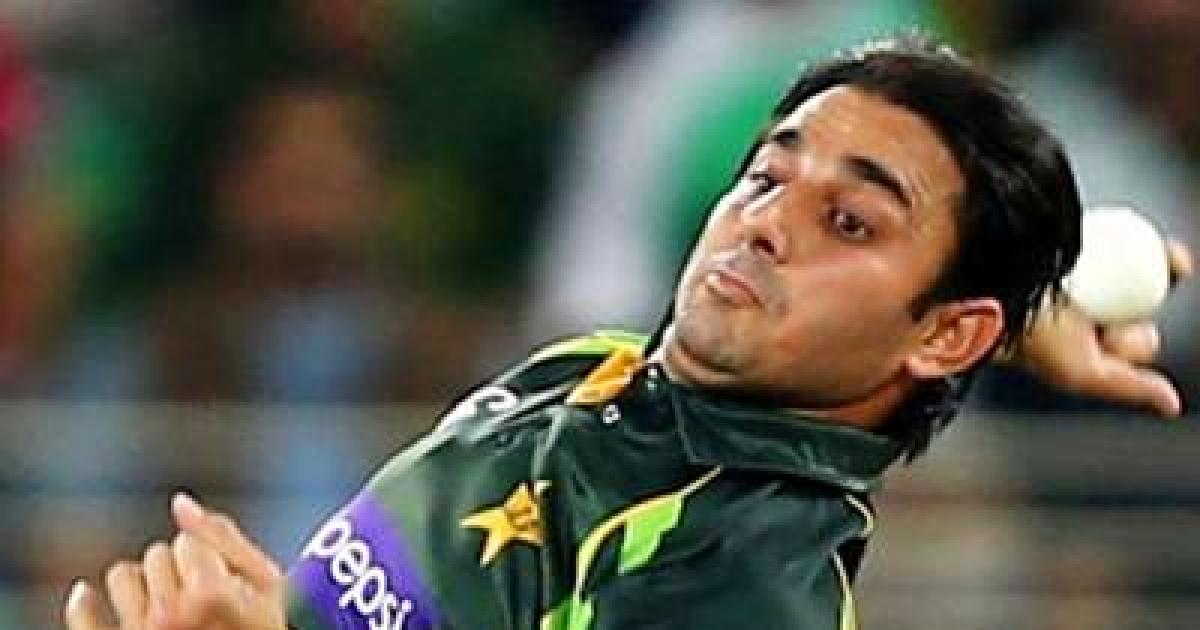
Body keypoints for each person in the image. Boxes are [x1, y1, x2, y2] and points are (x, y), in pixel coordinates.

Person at [64, 35, 1193, 630]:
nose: (764, 225)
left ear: (944, 334)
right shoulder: (610, 381)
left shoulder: (738, 582)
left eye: (848, 220)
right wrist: (1002, 317)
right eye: (767, 176)